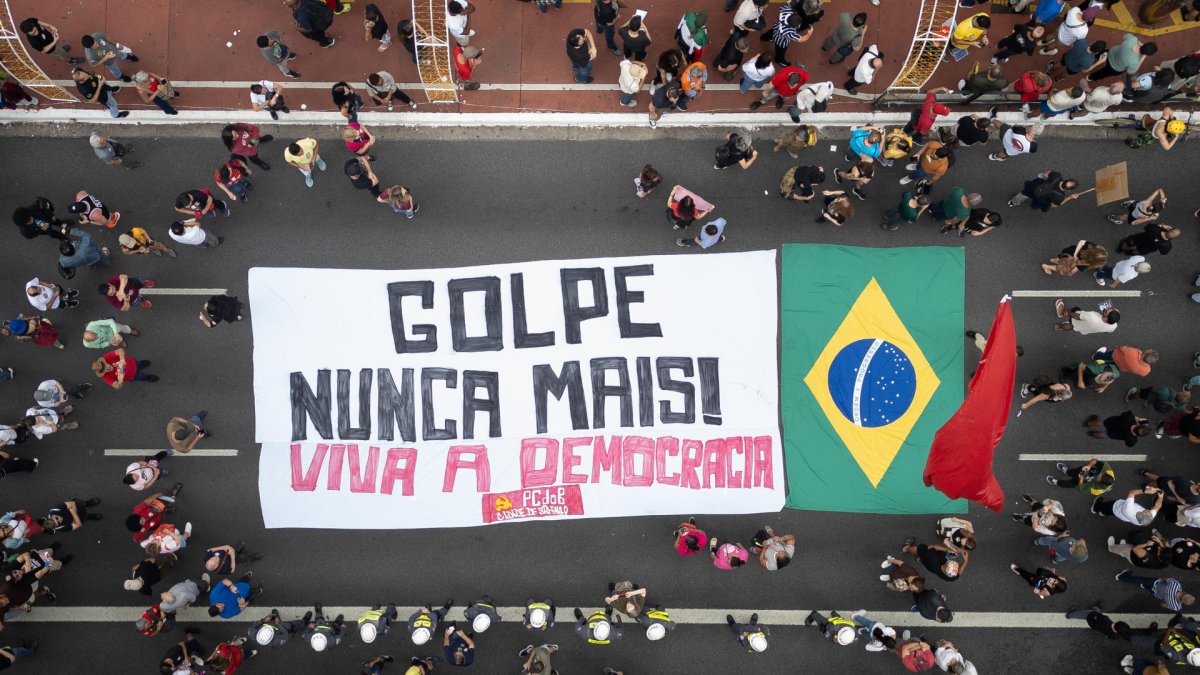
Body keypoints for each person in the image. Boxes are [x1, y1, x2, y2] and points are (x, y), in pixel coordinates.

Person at [1115, 572, 1194, 612]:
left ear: (1185, 594)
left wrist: (1162, 578)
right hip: (1157, 594)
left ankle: (1121, 577)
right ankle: (1143, 586)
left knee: (1140, 580)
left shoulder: (1175, 584)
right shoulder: (1176, 607)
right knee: (1149, 588)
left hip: (1155, 583)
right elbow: (1163, 605)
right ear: (1182, 601)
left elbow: (1165, 578)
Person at [901, 535, 968, 582]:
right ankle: (920, 559)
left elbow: (931, 547)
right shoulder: (950, 577)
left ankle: (906, 548)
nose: (950, 561)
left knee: (919, 549)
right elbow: (959, 574)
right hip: (930, 566)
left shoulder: (933, 560)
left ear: (945, 567)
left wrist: (947, 550)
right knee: (924, 560)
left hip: (928, 555)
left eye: (949, 562)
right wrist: (965, 561)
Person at [1009, 171, 1081, 211]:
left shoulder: (1057, 175)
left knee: (1023, 194)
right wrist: (1070, 197)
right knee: (1039, 203)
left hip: (1035, 188)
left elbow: (1046, 174)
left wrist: (1040, 176)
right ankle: (1033, 205)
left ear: (1065, 180)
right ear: (1069, 189)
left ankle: (1013, 202)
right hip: (1041, 199)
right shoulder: (1060, 197)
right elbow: (1054, 205)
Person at [92, 348, 158, 388]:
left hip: (132, 362)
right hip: (132, 376)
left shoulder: (106, 357)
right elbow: (117, 386)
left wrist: (122, 360)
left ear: (105, 362)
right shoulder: (105, 377)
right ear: (103, 373)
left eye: (105, 365)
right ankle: (148, 378)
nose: (107, 368)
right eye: (104, 370)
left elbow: (120, 350)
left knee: (138, 363)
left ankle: (141, 364)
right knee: (142, 377)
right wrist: (119, 383)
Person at [1047, 458, 1114, 493]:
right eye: (1102, 474)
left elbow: (1081, 488)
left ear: (1100, 482)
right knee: (1073, 471)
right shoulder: (1108, 471)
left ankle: (1057, 482)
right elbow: (1095, 461)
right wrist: (1089, 465)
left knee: (1067, 484)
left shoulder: (1097, 490)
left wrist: (1081, 479)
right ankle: (1067, 471)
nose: (1099, 474)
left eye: (1099, 477)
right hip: (1085, 471)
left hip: (1084, 481)